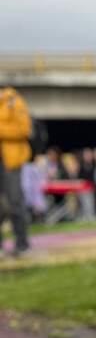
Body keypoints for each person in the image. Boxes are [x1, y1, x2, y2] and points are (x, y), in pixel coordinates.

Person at [0, 87, 32, 256]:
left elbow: (24, 129)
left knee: (14, 202)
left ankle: (22, 243)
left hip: (10, 162)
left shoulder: (14, 102)